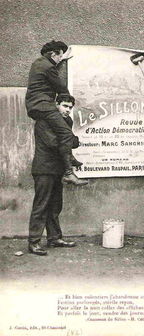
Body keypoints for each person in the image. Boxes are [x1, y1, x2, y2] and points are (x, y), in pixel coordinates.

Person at [28, 93, 87, 256]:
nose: (67, 110)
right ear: (56, 104)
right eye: (64, 106)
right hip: (44, 169)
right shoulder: (43, 121)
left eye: (70, 107)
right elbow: (54, 143)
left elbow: (70, 142)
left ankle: (54, 238)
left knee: (55, 205)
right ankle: (33, 242)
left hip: (57, 169)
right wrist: (71, 141)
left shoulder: (66, 121)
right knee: (41, 205)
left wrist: (71, 141)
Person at [25, 40, 86, 185]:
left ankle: (69, 158)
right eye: (59, 56)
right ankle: (69, 173)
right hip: (43, 105)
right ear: (53, 54)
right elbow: (60, 87)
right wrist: (67, 98)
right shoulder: (48, 67)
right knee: (65, 133)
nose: (60, 59)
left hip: (35, 105)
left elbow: (50, 68)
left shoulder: (38, 63)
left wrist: (61, 59)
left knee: (63, 129)